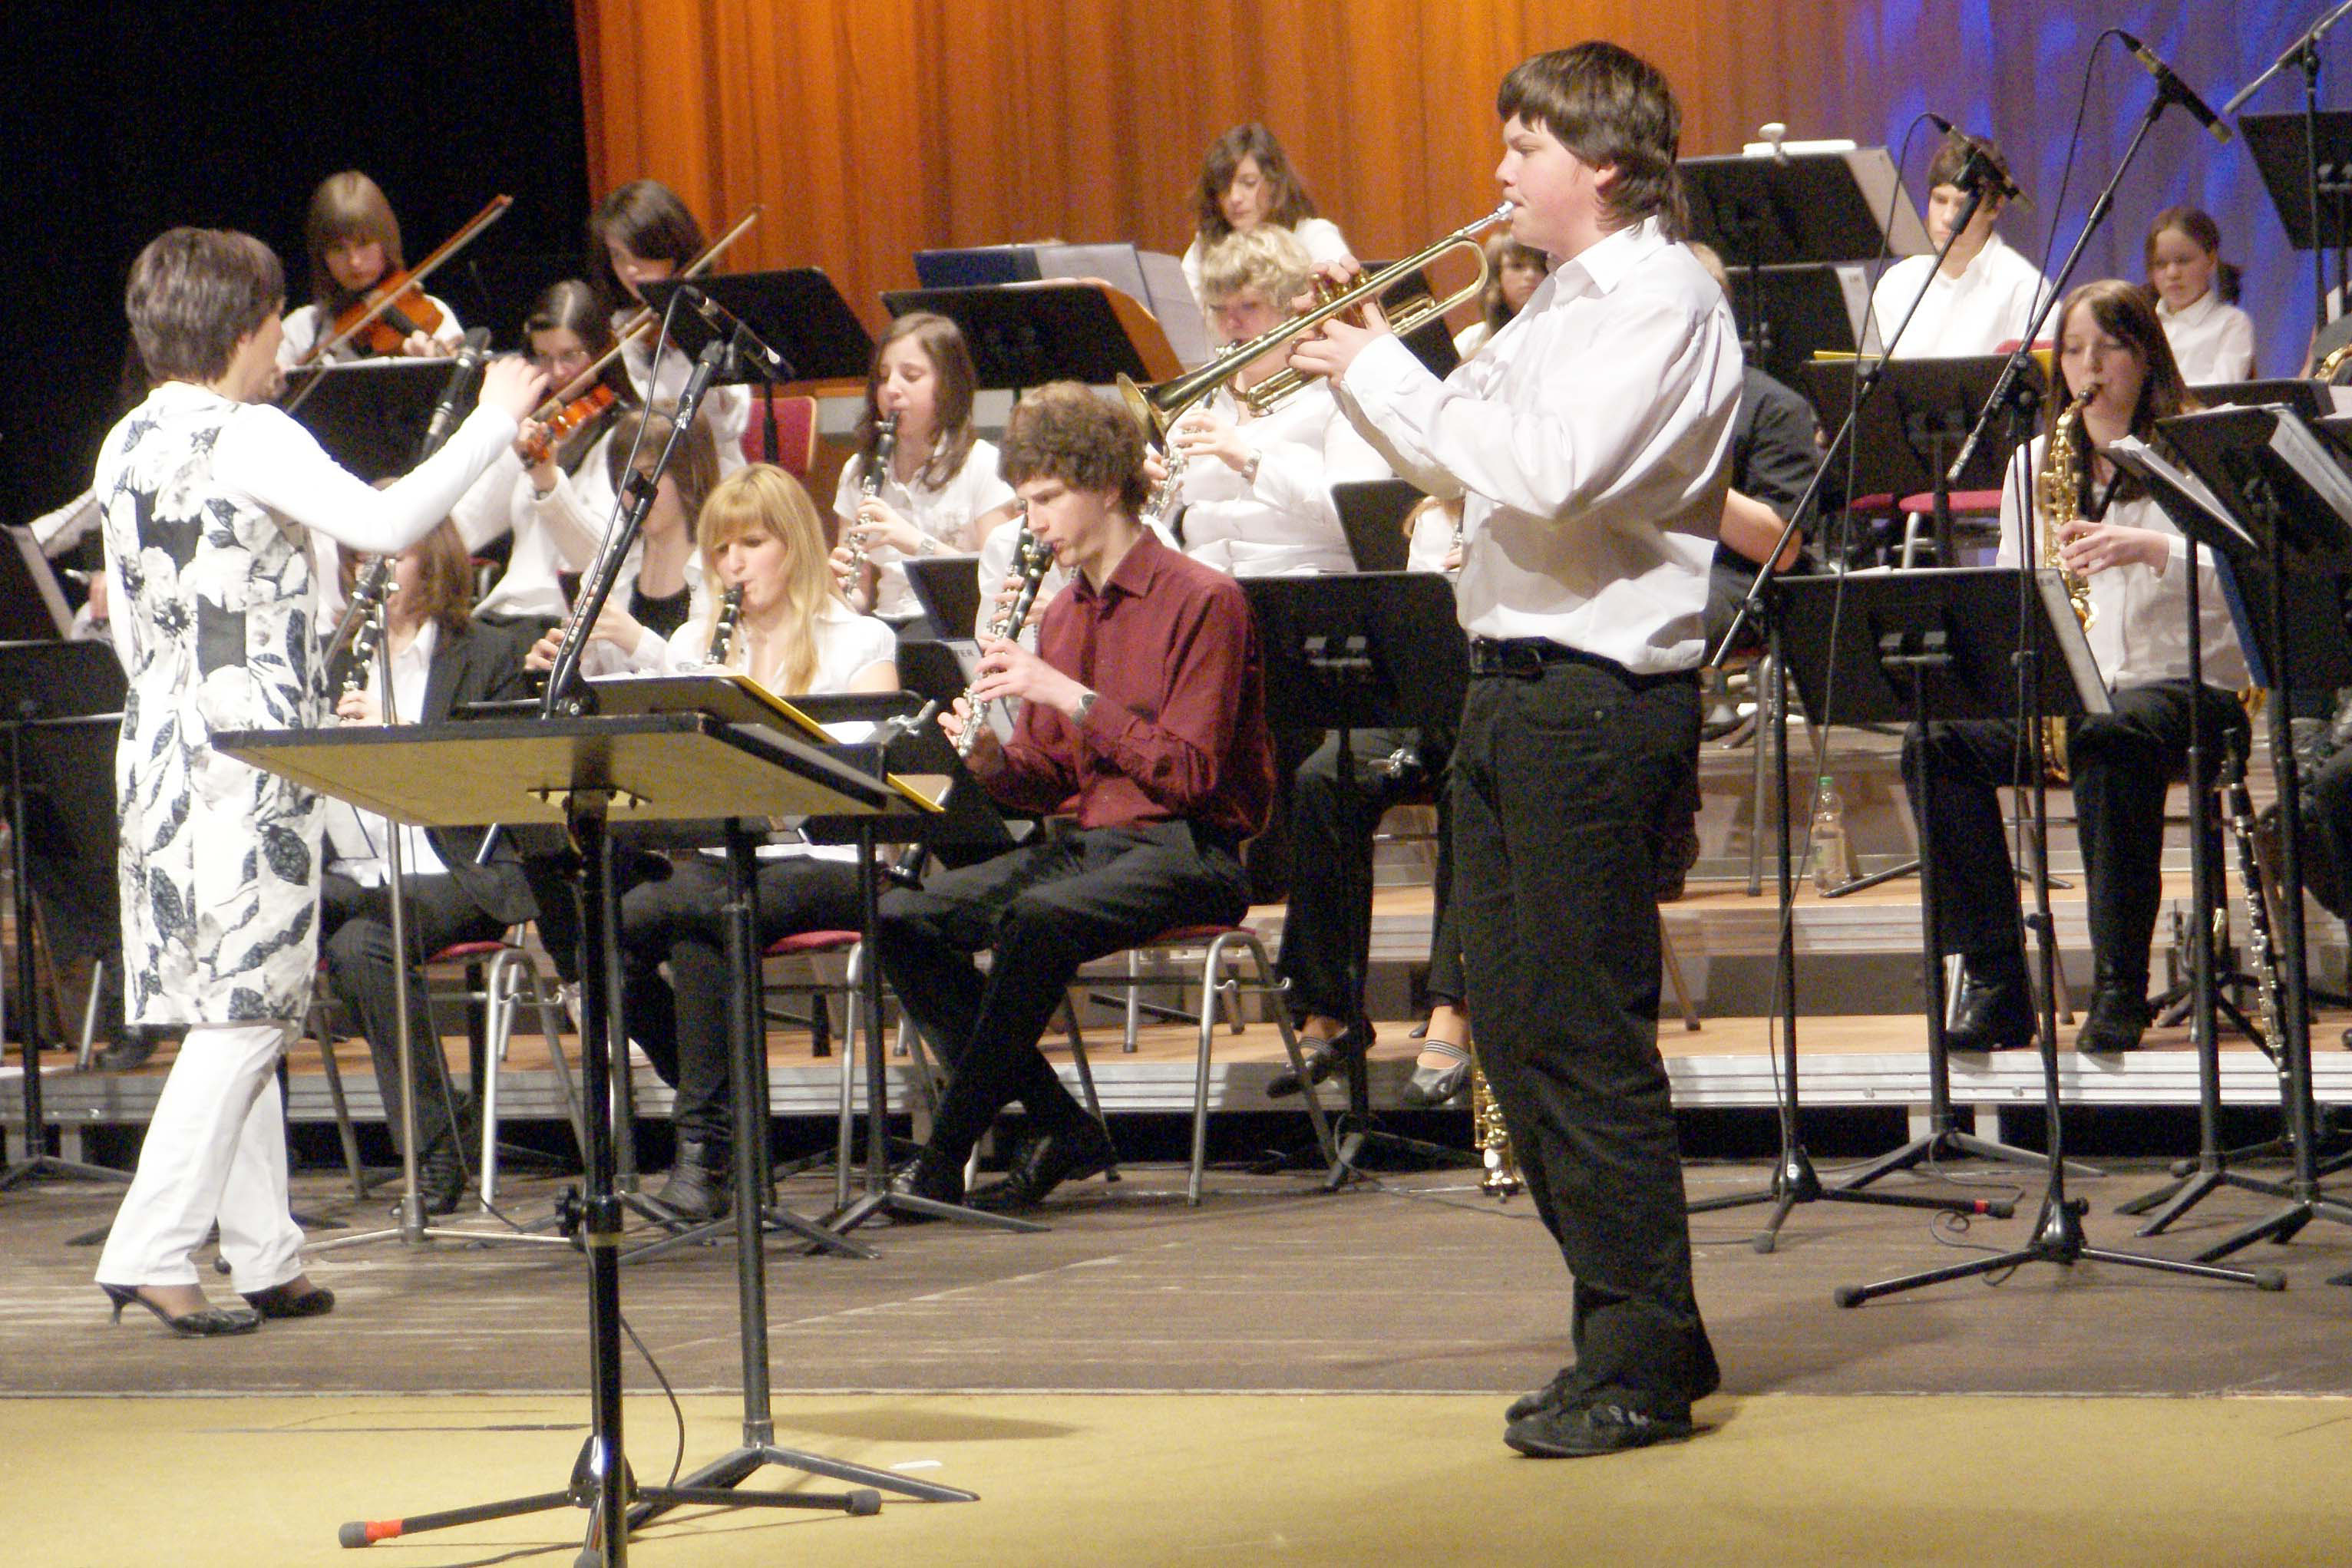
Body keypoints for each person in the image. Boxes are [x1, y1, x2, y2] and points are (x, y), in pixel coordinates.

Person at [1290, 42, 1734, 1458]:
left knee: (1582, 1040)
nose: (1497, 169)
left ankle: (1638, 1361)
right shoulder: (1563, 306)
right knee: (1523, 1041)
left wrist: (1383, 363)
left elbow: (1546, 474)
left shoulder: (1659, 302)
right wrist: (1364, 368)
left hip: (1591, 701)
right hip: (1509, 690)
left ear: (1598, 161)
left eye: (1523, 144)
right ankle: (1644, 1325)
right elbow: (1459, 454)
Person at [91, 226, 543, 1335]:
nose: (283, 347)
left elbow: (133, 617)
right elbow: (388, 525)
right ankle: (151, 1246)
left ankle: (264, 1252)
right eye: (273, 325)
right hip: (249, 750)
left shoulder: (125, 439)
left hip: (161, 744)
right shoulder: (250, 433)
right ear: (244, 329)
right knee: (251, 1007)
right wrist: (492, 419)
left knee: (227, 1006)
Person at [876, 384, 1273, 1216]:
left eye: (1048, 499)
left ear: (1104, 485)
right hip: (1095, 848)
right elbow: (1049, 780)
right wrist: (988, 760)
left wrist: (1068, 694)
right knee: (899, 918)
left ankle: (945, 1154)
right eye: (1026, 503)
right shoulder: (1063, 615)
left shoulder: (1205, 599)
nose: (1035, 524)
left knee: (1036, 918)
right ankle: (1062, 1125)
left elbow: (1193, 775)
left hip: (1191, 849)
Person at [1905, 277, 2248, 1056]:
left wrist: (2152, 548)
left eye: (2109, 347)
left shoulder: (2196, 446)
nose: (2088, 366)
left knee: (2108, 732)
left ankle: (2119, 986)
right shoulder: (2036, 463)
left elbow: (2249, 570)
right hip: (2075, 693)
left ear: (2146, 355)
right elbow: (2011, 592)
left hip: (2190, 688)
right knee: (1934, 743)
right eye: (2072, 349)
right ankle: (1997, 983)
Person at [594, 466, 897, 1219]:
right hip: (722, 864)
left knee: (702, 907)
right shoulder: (694, 644)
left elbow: (855, 780)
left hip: (827, 857)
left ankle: (709, 1150)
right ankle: (728, 1137)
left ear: (793, 545)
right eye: (721, 548)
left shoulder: (861, 637)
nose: (734, 563)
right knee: (610, 934)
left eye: (752, 543)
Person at [318, 521, 539, 1215]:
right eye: (361, 558)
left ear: (433, 561)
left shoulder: (489, 652)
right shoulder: (333, 660)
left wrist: (397, 736)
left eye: (392, 557)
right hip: (360, 870)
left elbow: (497, 784)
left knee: (359, 944)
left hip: (461, 867)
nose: (371, 573)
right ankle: (248, 1179)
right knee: (285, 920)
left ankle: (437, 1144)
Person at [1161, 226, 1392, 576]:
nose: (1230, 323)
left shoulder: (1338, 395)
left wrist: (1250, 462)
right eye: (1219, 309)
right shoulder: (1196, 401)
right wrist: (1143, 498)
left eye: (1249, 306)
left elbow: (1360, 518)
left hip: (1303, 582)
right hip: (1203, 585)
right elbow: (1167, 529)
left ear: (1291, 309)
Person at [451, 279, 639, 630]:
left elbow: (597, 557)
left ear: (602, 349)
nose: (556, 373)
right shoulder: (538, 425)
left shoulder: (626, 436)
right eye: (544, 357)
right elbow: (469, 520)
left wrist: (547, 482)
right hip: (506, 613)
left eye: (570, 356)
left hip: (562, 620)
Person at [829, 312, 1020, 621]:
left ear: (948, 385)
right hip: (886, 626)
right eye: (883, 377)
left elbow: (998, 582)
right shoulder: (858, 470)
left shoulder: (984, 465)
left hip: (959, 627)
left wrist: (918, 544)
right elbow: (859, 597)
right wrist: (836, 591)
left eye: (910, 376)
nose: (892, 388)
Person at [586, 179, 750, 467]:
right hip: (645, 473)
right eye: (618, 255)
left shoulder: (712, 319)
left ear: (672, 248)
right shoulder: (619, 327)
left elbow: (731, 425)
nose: (629, 269)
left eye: (640, 252)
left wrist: (711, 373)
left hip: (712, 473)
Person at [1865, 132, 2046, 358]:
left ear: (1996, 207)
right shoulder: (1897, 283)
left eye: (1962, 205)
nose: (1948, 217)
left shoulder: (2024, 287)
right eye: (1940, 200)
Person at [278, 171, 464, 365]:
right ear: (322, 255)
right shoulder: (301, 330)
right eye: (338, 249)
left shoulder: (433, 315)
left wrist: (439, 364)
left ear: (386, 242)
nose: (354, 262)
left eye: (364, 243)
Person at [1180, 124, 1353, 308]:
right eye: (1223, 187)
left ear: (1275, 183)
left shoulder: (1314, 236)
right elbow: (1183, 314)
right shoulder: (1205, 245)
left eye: (1249, 183)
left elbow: (1347, 305)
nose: (1235, 197)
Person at [2145, 206, 2256, 385]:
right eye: (2161, 264)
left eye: (2183, 261)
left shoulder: (2232, 323)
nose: (2172, 273)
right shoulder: (2142, 325)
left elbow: (2222, 389)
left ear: (2211, 261)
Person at [1453, 231, 1548, 358]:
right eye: (1517, 266)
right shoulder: (1472, 339)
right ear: (1496, 275)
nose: (1530, 275)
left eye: (1541, 267)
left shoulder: (1560, 331)